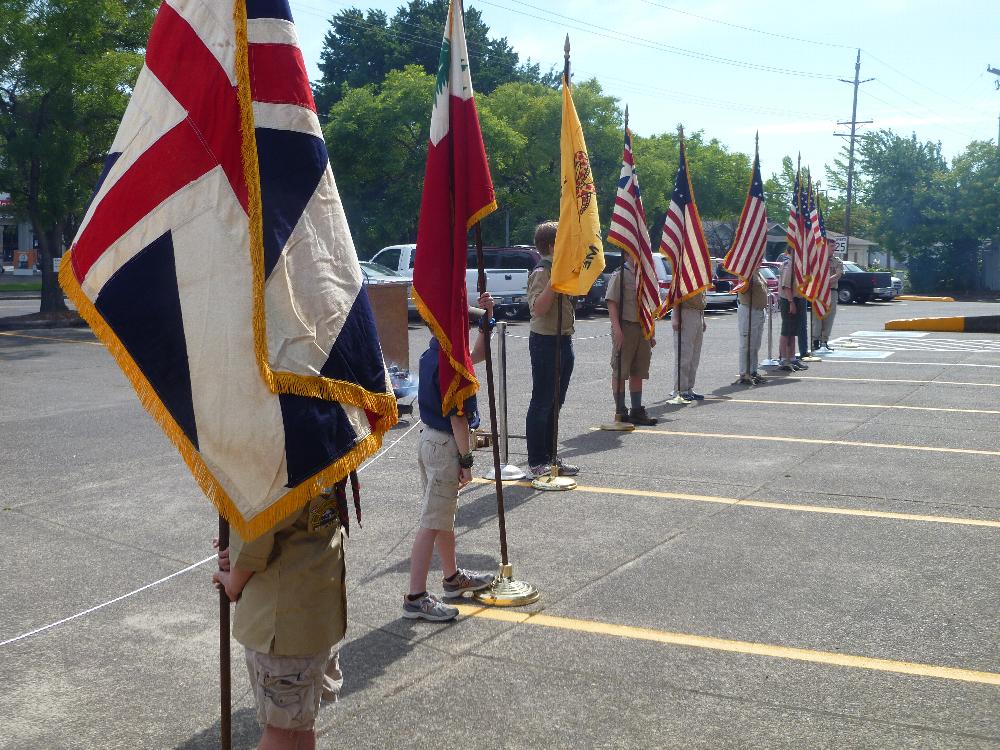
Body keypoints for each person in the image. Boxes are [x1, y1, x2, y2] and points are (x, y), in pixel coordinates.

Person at [212, 490, 349, 750]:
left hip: (298, 619)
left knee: (295, 726)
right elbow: (260, 530)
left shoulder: (284, 459)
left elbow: (257, 533)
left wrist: (235, 578)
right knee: (287, 730)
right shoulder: (316, 453)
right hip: (295, 621)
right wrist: (238, 560)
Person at [405, 291, 497, 621]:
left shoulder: (436, 351)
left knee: (442, 517)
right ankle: (415, 596)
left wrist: (488, 319)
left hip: (430, 441)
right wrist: (467, 460)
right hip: (446, 444)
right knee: (431, 522)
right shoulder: (449, 360)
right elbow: (458, 418)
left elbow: (478, 354)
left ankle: (451, 577)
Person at [525, 220, 579, 478]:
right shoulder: (542, 272)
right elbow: (538, 308)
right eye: (562, 242)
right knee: (542, 403)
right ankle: (537, 460)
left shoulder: (559, 269)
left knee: (556, 402)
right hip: (545, 342)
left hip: (563, 339)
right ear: (549, 245)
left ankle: (551, 455)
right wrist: (554, 282)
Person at [606, 258, 657, 425]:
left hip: (642, 328)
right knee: (621, 370)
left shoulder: (644, 275)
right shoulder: (620, 274)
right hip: (625, 327)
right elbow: (612, 303)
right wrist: (617, 330)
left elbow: (649, 305)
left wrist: (651, 331)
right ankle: (620, 410)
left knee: (639, 370)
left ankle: (637, 410)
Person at [672, 290, 707, 400]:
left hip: (698, 313)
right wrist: (676, 317)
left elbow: (701, 298)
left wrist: (703, 319)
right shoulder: (684, 273)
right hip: (686, 312)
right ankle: (680, 390)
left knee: (694, 356)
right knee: (684, 355)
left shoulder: (701, 274)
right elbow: (676, 294)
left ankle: (689, 388)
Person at [736, 269, 768, 385]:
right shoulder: (745, 271)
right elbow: (742, 289)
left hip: (758, 311)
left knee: (755, 344)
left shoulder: (757, 272)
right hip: (749, 310)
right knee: (746, 343)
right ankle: (745, 373)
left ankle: (753, 371)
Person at [811, 245, 844, 350]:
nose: (833, 249)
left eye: (834, 247)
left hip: (831, 291)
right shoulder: (817, 260)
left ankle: (824, 341)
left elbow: (838, 274)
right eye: (831, 246)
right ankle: (815, 340)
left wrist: (825, 282)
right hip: (818, 292)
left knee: (829, 317)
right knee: (817, 316)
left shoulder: (837, 261)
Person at [778, 255, 807, 372]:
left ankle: (792, 358)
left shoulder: (796, 264)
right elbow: (786, 286)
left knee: (793, 331)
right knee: (786, 331)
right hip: (788, 300)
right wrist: (791, 302)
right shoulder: (788, 265)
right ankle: (784, 358)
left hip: (796, 299)